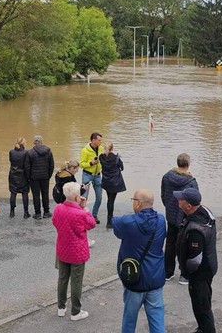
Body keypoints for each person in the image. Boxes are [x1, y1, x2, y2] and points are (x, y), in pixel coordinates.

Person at [111, 189, 166, 333]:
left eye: (133, 200)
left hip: (134, 279)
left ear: (138, 203)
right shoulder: (161, 220)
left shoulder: (128, 222)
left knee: (129, 320)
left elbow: (114, 223)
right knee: (157, 320)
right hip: (155, 278)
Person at [174, 188, 217, 333]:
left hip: (199, 274)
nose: (178, 202)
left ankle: (206, 330)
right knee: (202, 304)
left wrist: (186, 271)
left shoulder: (195, 230)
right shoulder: (204, 213)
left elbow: (195, 260)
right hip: (209, 267)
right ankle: (202, 329)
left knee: (201, 307)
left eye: (180, 200)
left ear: (189, 206)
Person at [52, 182, 96, 322]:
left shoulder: (58, 208)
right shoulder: (80, 214)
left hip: (62, 249)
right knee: (76, 281)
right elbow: (91, 224)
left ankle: (61, 307)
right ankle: (75, 311)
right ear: (77, 197)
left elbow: (55, 222)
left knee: (62, 278)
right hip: (77, 251)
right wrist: (85, 210)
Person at [160, 153, 198, 285]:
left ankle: (167, 272)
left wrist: (169, 207)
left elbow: (163, 195)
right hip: (185, 216)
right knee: (185, 245)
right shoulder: (191, 181)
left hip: (171, 215)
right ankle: (184, 274)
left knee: (170, 243)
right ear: (188, 164)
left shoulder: (166, 177)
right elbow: (195, 200)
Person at [25, 135, 54, 219]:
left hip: (34, 178)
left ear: (34, 142)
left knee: (36, 195)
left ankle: (37, 213)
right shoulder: (48, 151)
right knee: (45, 194)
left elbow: (27, 167)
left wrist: (29, 177)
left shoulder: (30, 152)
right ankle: (46, 212)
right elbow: (51, 165)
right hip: (45, 177)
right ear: (41, 142)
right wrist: (48, 175)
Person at [100, 142, 126, 229]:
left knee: (109, 199)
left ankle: (109, 220)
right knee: (111, 200)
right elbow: (122, 168)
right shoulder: (116, 158)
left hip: (106, 181)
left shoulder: (101, 157)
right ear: (112, 148)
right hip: (115, 182)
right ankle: (109, 221)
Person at [79, 132, 104, 224]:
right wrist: (91, 163)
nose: (100, 142)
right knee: (84, 197)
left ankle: (94, 215)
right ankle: (81, 216)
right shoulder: (85, 150)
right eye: (99, 140)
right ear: (93, 140)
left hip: (97, 175)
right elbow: (81, 164)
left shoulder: (101, 148)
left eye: (101, 140)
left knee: (99, 197)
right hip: (87, 174)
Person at [9, 137, 30, 218]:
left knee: (13, 193)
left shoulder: (11, 152)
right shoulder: (26, 152)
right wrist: (28, 177)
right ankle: (26, 213)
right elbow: (27, 166)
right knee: (25, 193)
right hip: (23, 175)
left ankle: (12, 212)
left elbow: (11, 161)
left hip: (13, 174)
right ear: (24, 143)